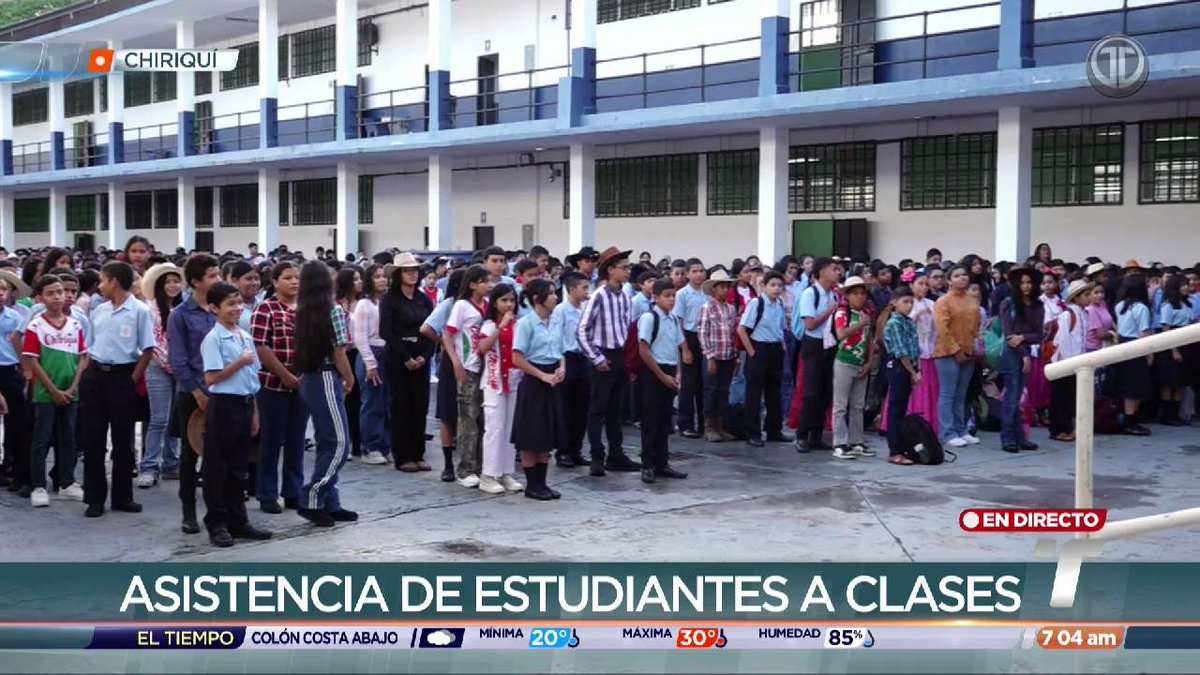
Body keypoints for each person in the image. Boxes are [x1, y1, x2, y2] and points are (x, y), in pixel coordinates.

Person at [80, 261, 156, 518]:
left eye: (103, 280)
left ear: (114, 281)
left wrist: (133, 379)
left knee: (123, 441)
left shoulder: (139, 311)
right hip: (96, 376)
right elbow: (90, 346)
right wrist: (86, 375)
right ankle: (94, 497)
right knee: (94, 439)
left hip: (123, 376)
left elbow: (148, 349)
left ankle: (123, 496)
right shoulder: (99, 310)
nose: (100, 286)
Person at [199, 281, 272, 547]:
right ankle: (217, 522)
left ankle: (238, 520)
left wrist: (254, 412)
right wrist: (239, 362)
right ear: (214, 308)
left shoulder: (245, 335)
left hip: (244, 403)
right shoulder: (214, 339)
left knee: (239, 468)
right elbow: (211, 378)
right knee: (217, 467)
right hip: (223, 405)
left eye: (239, 303)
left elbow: (252, 378)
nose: (237, 308)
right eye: (230, 304)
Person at [293, 261, 356, 527]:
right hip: (328, 376)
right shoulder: (333, 311)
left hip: (311, 378)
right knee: (340, 443)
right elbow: (338, 351)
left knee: (326, 441)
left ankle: (331, 501)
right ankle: (314, 495)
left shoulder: (303, 310)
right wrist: (350, 377)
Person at [22, 275, 88, 507]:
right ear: (40, 297)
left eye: (60, 292)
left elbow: (82, 358)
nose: (58, 297)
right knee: (42, 439)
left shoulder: (75, 324)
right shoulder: (35, 325)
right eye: (51, 293)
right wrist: (53, 389)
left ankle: (67, 482)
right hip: (44, 394)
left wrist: (73, 387)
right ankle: (39, 485)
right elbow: (33, 361)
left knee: (68, 438)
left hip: (71, 392)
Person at [576, 247, 640, 476]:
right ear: (610, 270)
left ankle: (616, 454)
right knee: (597, 410)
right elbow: (582, 330)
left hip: (620, 355)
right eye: (623, 267)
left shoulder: (625, 296)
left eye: (628, 267)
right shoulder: (598, 296)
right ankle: (597, 455)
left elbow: (627, 328)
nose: (627, 271)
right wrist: (596, 358)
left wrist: (630, 360)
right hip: (603, 355)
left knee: (616, 411)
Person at [251, 261, 308, 514]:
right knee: (271, 441)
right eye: (288, 278)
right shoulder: (266, 309)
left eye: (297, 277)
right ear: (274, 282)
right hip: (273, 384)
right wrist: (284, 374)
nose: (294, 282)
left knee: (297, 440)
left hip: (303, 384)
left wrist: (304, 373)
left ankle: (293, 491)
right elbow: (261, 347)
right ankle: (267, 493)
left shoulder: (306, 309)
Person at [511, 278, 567, 500]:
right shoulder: (526, 323)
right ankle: (532, 484)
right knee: (530, 434)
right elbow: (517, 357)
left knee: (546, 434)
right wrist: (542, 375)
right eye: (551, 293)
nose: (555, 297)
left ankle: (543, 482)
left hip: (552, 378)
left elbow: (560, 350)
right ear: (537, 299)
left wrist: (562, 368)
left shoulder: (554, 321)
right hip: (535, 381)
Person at [380, 253, 434, 472]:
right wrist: (406, 358)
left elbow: (433, 329)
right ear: (398, 274)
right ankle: (402, 456)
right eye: (407, 270)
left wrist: (425, 356)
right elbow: (386, 331)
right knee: (401, 406)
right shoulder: (390, 300)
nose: (412, 274)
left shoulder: (424, 299)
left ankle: (418, 452)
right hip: (398, 356)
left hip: (421, 354)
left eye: (415, 270)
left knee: (419, 407)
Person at [637, 278, 691, 483]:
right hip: (653, 371)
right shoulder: (650, 318)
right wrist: (661, 375)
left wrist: (677, 373)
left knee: (665, 420)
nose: (671, 300)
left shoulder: (674, 319)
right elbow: (644, 349)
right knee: (650, 420)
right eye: (667, 296)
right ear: (656, 297)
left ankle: (662, 462)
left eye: (673, 296)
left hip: (669, 369)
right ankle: (647, 464)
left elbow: (678, 346)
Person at [444, 266, 491, 487]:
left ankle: (481, 464)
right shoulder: (461, 306)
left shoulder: (488, 306)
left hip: (485, 366)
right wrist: (456, 362)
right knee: (468, 418)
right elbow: (448, 334)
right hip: (468, 365)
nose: (487, 285)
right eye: (483, 281)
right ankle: (465, 467)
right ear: (472, 284)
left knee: (483, 418)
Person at [137, 262, 183, 487]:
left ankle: (171, 463)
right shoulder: (149, 309)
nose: (173, 286)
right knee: (159, 419)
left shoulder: (182, 308)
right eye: (168, 282)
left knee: (176, 419)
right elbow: (149, 341)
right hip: (156, 365)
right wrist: (167, 363)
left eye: (176, 281)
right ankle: (149, 466)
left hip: (180, 368)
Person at [476, 284, 524, 494]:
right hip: (494, 381)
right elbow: (482, 348)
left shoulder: (519, 324)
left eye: (512, 300)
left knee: (510, 427)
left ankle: (506, 472)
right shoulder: (488, 324)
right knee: (494, 427)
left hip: (513, 380)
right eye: (504, 300)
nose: (508, 305)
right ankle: (488, 474)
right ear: (494, 302)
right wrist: (500, 327)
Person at [420, 269, 465, 482]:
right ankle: (448, 464)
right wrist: (443, 342)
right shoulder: (449, 304)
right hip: (451, 361)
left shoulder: (478, 305)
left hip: (472, 360)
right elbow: (426, 328)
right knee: (448, 413)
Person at [738, 271, 789, 448]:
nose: (776, 289)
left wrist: (782, 346)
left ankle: (774, 429)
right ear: (764, 286)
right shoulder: (756, 303)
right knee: (754, 393)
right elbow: (742, 329)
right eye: (773, 285)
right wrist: (751, 351)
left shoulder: (779, 304)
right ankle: (752, 432)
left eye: (779, 285)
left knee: (774, 392)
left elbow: (781, 328)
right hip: (759, 348)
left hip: (775, 349)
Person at [933, 265, 981, 448]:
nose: (962, 278)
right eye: (957, 275)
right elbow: (942, 329)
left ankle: (961, 429)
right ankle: (947, 432)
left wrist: (973, 347)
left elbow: (976, 328)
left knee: (962, 394)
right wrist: (956, 351)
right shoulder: (943, 301)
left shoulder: (972, 301)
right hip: (946, 352)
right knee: (948, 393)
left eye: (964, 275)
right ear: (949, 280)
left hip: (968, 351)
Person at [794, 257, 839, 453]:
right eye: (833, 269)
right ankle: (802, 435)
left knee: (825, 391)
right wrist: (829, 312)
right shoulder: (809, 294)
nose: (838, 273)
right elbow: (810, 324)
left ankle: (817, 435)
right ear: (822, 272)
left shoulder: (834, 295)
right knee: (811, 391)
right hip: (814, 344)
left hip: (830, 344)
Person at [998, 267, 1044, 454]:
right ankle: (1008, 437)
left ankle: (1020, 436)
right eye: (1022, 283)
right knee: (1011, 396)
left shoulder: (1038, 305)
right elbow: (1009, 335)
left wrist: (1023, 338)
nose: (1026, 286)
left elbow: (1038, 335)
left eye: (1029, 282)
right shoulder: (1008, 303)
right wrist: (1024, 354)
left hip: (1025, 352)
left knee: (1017, 398)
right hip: (1011, 354)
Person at [830, 276, 875, 460]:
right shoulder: (842, 313)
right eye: (855, 293)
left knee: (858, 405)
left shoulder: (866, 313)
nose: (860, 297)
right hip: (844, 361)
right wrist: (860, 324)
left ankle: (857, 441)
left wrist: (869, 362)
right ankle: (840, 443)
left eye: (863, 293)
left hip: (860, 363)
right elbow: (841, 334)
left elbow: (870, 341)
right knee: (840, 405)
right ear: (847, 296)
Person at [550, 272, 591, 468]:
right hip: (567, 358)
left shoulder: (586, 309)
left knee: (581, 407)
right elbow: (557, 338)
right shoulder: (560, 311)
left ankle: (576, 449)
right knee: (565, 407)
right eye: (583, 288)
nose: (586, 292)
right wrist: (560, 363)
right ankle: (563, 450)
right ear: (571, 289)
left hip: (584, 358)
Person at [352, 263, 391, 465]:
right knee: (372, 402)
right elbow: (359, 337)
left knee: (387, 402)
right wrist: (370, 362)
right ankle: (370, 446)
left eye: (384, 276)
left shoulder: (387, 302)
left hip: (388, 352)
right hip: (371, 353)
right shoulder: (364, 305)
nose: (382, 280)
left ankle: (386, 444)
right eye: (377, 277)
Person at [1048, 280, 1092, 442]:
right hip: (1065, 362)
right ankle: (1058, 429)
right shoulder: (1068, 315)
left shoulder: (1084, 314)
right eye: (1086, 295)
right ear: (1076, 297)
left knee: (1071, 397)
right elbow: (1062, 341)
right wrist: (1065, 363)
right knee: (1060, 397)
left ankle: (1068, 427)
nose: (1089, 298)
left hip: (1077, 362)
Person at [697, 269, 737, 442]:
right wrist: (710, 357)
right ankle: (708, 426)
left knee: (723, 391)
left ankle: (719, 424)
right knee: (711, 390)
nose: (725, 290)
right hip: (713, 355)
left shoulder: (730, 308)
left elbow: (733, 332)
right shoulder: (707, 308)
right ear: (714, 289)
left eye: (727, 287)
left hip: (727, 355)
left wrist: (735, 356)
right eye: (722, 287)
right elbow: (703, 333)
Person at [882, 287, 919, 465]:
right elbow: (900, 351)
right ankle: (894, 450)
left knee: (902, 408)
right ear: (894, 303)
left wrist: (916, 369)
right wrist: (912, 371)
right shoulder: (894, 323)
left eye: (911, 302)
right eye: (905, 302)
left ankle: (903, 447)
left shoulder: (909, 322)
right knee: (895, 410)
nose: (909, 305)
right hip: (899, 366)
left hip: (910, 366)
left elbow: (914, 348)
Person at [0, 274, 29, 495]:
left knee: (16, 423)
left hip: (10, 372)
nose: (1, 293)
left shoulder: (16, 317)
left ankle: (13, 467)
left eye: (3, 289)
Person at [673, 258, 706, 439]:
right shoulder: (683, 294)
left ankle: (703, 422)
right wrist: (684, 347)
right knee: (688, 383)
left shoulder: (707, 293)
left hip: (705, 337)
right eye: (694, 271)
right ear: (687, 274)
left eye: (701, 271)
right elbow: (679, 321)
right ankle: (685, 423)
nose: (699, 274)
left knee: (704, 381)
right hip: (689, 336)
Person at [1154, 274, 1193, 426]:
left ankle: (1176, 413)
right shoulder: (1168, 305)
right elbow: (1166, 328)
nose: (1186, 287)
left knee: (1181, 381)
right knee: (1169, 380)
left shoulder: (1187, 304)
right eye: (1183, 284)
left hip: (1187, 344)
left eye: (1187, 284)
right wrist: (1174, 350)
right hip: (1173, 344)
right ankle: (1166, 414)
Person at [335, 267, 363, 459]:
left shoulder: (363, 304)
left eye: (360, 278)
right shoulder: (336, 305)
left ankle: (358, 441)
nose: (359, 282)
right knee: (344, 399)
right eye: (355, 279)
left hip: (359, 353)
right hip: (342, 354)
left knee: (359, 399)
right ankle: (344, 440)